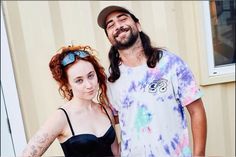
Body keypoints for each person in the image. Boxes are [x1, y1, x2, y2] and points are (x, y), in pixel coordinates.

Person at [97, 5, 207, 157]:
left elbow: (197, 111)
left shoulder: (170, 63)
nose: (118, 26)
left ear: (138, 25)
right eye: (111, 25)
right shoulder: (111, 79)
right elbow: (112, 119)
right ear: (109, 37)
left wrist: (199, 154)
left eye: (122, 19)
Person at [21, 45, 120, 157]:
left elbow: (116, 153)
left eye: (91, 76)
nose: (88, 85)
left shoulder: (105, 111)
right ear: (67, 85)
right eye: (79, 80)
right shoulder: (62, 117)